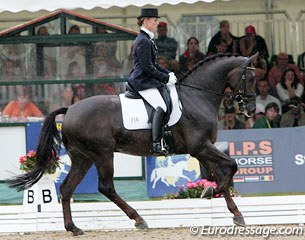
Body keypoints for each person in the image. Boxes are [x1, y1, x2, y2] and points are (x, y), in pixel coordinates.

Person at [127, 8, 177, 155]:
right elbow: (147, 68)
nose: (157, 23)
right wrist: (165, 78)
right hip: (142, 81)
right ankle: (156, 143)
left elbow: (155, 64)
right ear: (146, 21)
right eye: (155, 21)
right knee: (161, 105)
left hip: (148, 79)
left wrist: (169, 73)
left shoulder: (148, 39)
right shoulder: (143, 40)